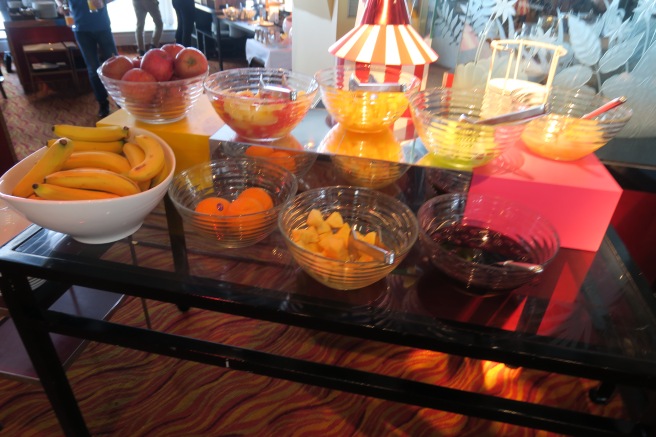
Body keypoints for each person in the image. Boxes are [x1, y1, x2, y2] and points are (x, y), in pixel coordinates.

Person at [56, 0, 118, 118]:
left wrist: (103, 2)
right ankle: (103, 103)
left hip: (102, 25)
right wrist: (60, 6)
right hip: (80, 28)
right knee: (93, 68)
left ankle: (121, 102)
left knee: (115, 65)